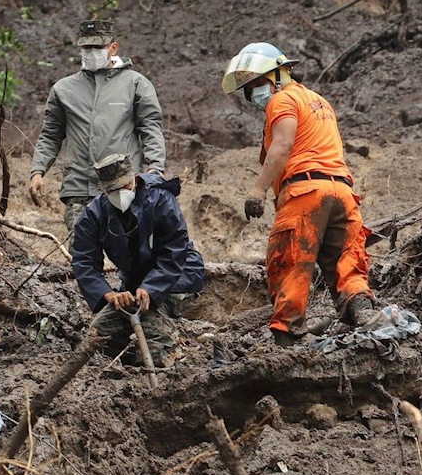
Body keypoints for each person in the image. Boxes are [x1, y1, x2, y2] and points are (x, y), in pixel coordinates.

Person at [222, 42, 393, 342]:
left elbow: (283, 145)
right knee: (346, 261)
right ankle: (363, 312)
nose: (254, 95)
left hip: (305, 193)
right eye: (248, 90)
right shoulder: (319, 101)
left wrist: (258, 190)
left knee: (290, 262)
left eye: (257, 84)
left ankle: (288, 335)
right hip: (342, 192)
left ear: (278, 75)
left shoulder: (283, 100)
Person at [30, 19, 167, 234]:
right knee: (82, 253)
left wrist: (156, 168)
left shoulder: (135, 84)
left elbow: (150, 127)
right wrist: (38, 171)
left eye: (98, 47)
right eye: (86, 47)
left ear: (113, 48)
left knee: (129, 253)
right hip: (79, 187)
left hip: (124, 185)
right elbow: (50, 135)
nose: (91, 52)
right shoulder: (63, 89)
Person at [70, 152, 206, 359]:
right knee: (99, 336)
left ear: (134, 179)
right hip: (134, 281)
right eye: (112, 190)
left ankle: (171, 352)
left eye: (124, 187)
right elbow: (84, 261)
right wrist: (109, 294)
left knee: (154, 340)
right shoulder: (94, 213)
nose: (120, 194)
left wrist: (150, 288)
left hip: (178, 274)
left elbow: (174, 250)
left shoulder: (160, 198)